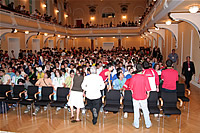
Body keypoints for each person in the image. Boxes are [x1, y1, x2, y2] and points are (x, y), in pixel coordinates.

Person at [129, 64, 152, 129]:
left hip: (135, 96)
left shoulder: (133, 77)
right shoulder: (145, 77)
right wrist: (148, 94)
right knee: (145, 110)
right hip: (143, 96)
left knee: (136, 110)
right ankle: (148, 124)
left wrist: (133, 93)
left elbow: (131, 88)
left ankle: (136, 124)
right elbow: (148, 88)